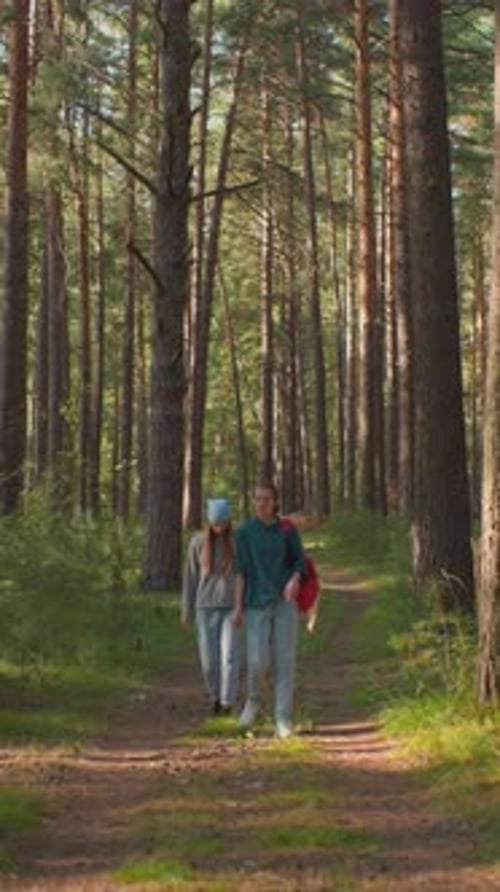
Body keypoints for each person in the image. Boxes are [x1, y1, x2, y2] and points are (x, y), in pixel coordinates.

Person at [233, 481, 307, 739]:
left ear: (275, 502)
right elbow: (240, 571)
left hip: (285, 604)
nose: (262, 503)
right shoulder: (244, 532)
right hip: (255, 604)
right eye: (257, 499)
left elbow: (300, 560)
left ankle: (283, 719)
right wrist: (238, 607)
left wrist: (294, 578)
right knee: (257, 662)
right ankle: (253, 701)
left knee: (285, 663)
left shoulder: (287, 529)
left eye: (266, 499)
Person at [181, 498, 241, 716]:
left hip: (231, 607)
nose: (219, 528)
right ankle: (214, 696)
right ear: (209, 522)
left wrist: (243, 607)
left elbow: (245, 576)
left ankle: (227, 702)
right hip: (205, 608)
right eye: (216, 523)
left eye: (223, 523)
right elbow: (190, 577)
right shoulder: (197, 542)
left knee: (230, 657)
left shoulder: (237, 542)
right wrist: (186, 610)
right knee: (209, 659)